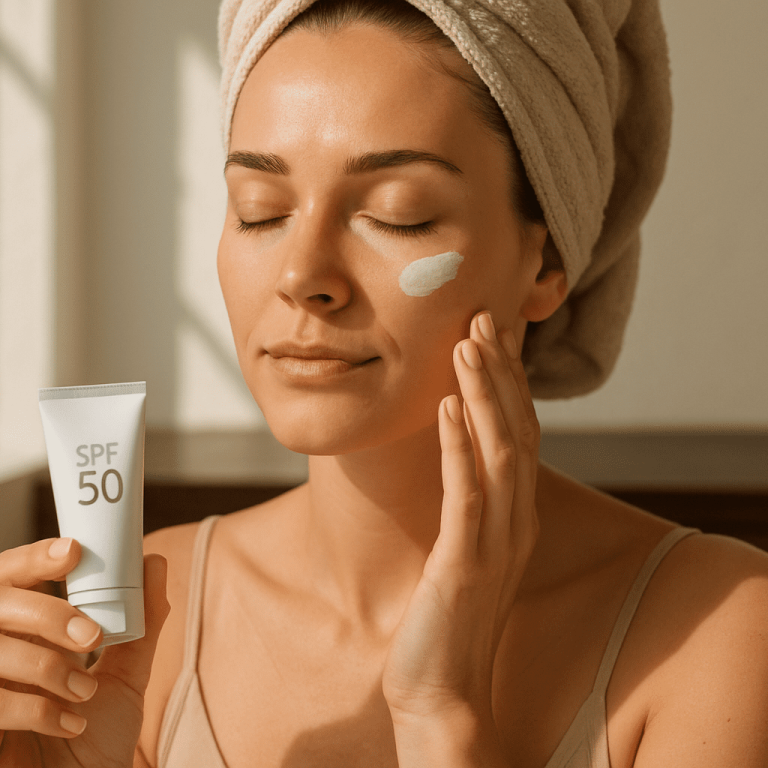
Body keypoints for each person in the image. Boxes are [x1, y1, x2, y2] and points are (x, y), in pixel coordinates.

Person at [1, 1, 767, 766]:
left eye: (398, 216)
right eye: (259, 212)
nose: (303, 277)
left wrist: (445, 710)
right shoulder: (145, 619)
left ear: (547, 264)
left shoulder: (719, 630)